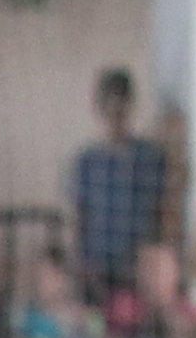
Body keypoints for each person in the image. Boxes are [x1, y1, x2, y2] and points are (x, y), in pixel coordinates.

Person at [70, 66, 176, 295]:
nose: (115, 114)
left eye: (121, 106)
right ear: (100, 108)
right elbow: (80, 216)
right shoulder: (87, 162)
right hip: (97, 268)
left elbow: (162, 212)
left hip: (139, 268)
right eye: (109, 106)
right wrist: (81, 263)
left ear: (130, 106)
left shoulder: (149, 157)